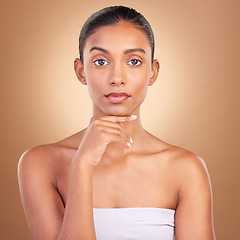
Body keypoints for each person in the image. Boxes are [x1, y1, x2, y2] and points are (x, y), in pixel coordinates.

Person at [18, 5, 215, 240]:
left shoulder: (187, 169)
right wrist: (82, 166)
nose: (117, 78)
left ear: (153, 72)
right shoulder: (40, 163)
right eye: (101, 62)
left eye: (133, 61)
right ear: (81, 71)